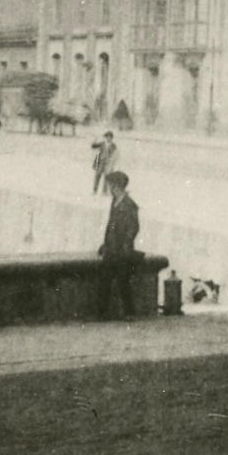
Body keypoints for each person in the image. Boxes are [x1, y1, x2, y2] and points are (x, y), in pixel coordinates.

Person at [97, 170, 142, 319]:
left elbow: (134, 227)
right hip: (112, 249)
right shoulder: (115, 202)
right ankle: (103, 312)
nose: (110, 188)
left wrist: (126, 244)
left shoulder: (129, 204)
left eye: (111, 185)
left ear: (117, 186)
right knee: (105, 280)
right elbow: (110, 226)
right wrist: (105, 244)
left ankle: (128, 313)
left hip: (122, 250)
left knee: (123, 281)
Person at [90, 130, 120, 195]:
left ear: (111, 138)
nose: (108, 138)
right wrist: (95, 139)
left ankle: (104, 191)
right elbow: (93, 146)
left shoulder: (114, 146)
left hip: (108, 164)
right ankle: (95, 190)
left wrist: (112, 164)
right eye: (107, 136)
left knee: (107, 177)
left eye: (109, 137)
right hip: (101, 162)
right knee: (97, 176)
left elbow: (115, 155)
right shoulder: (102, 144)